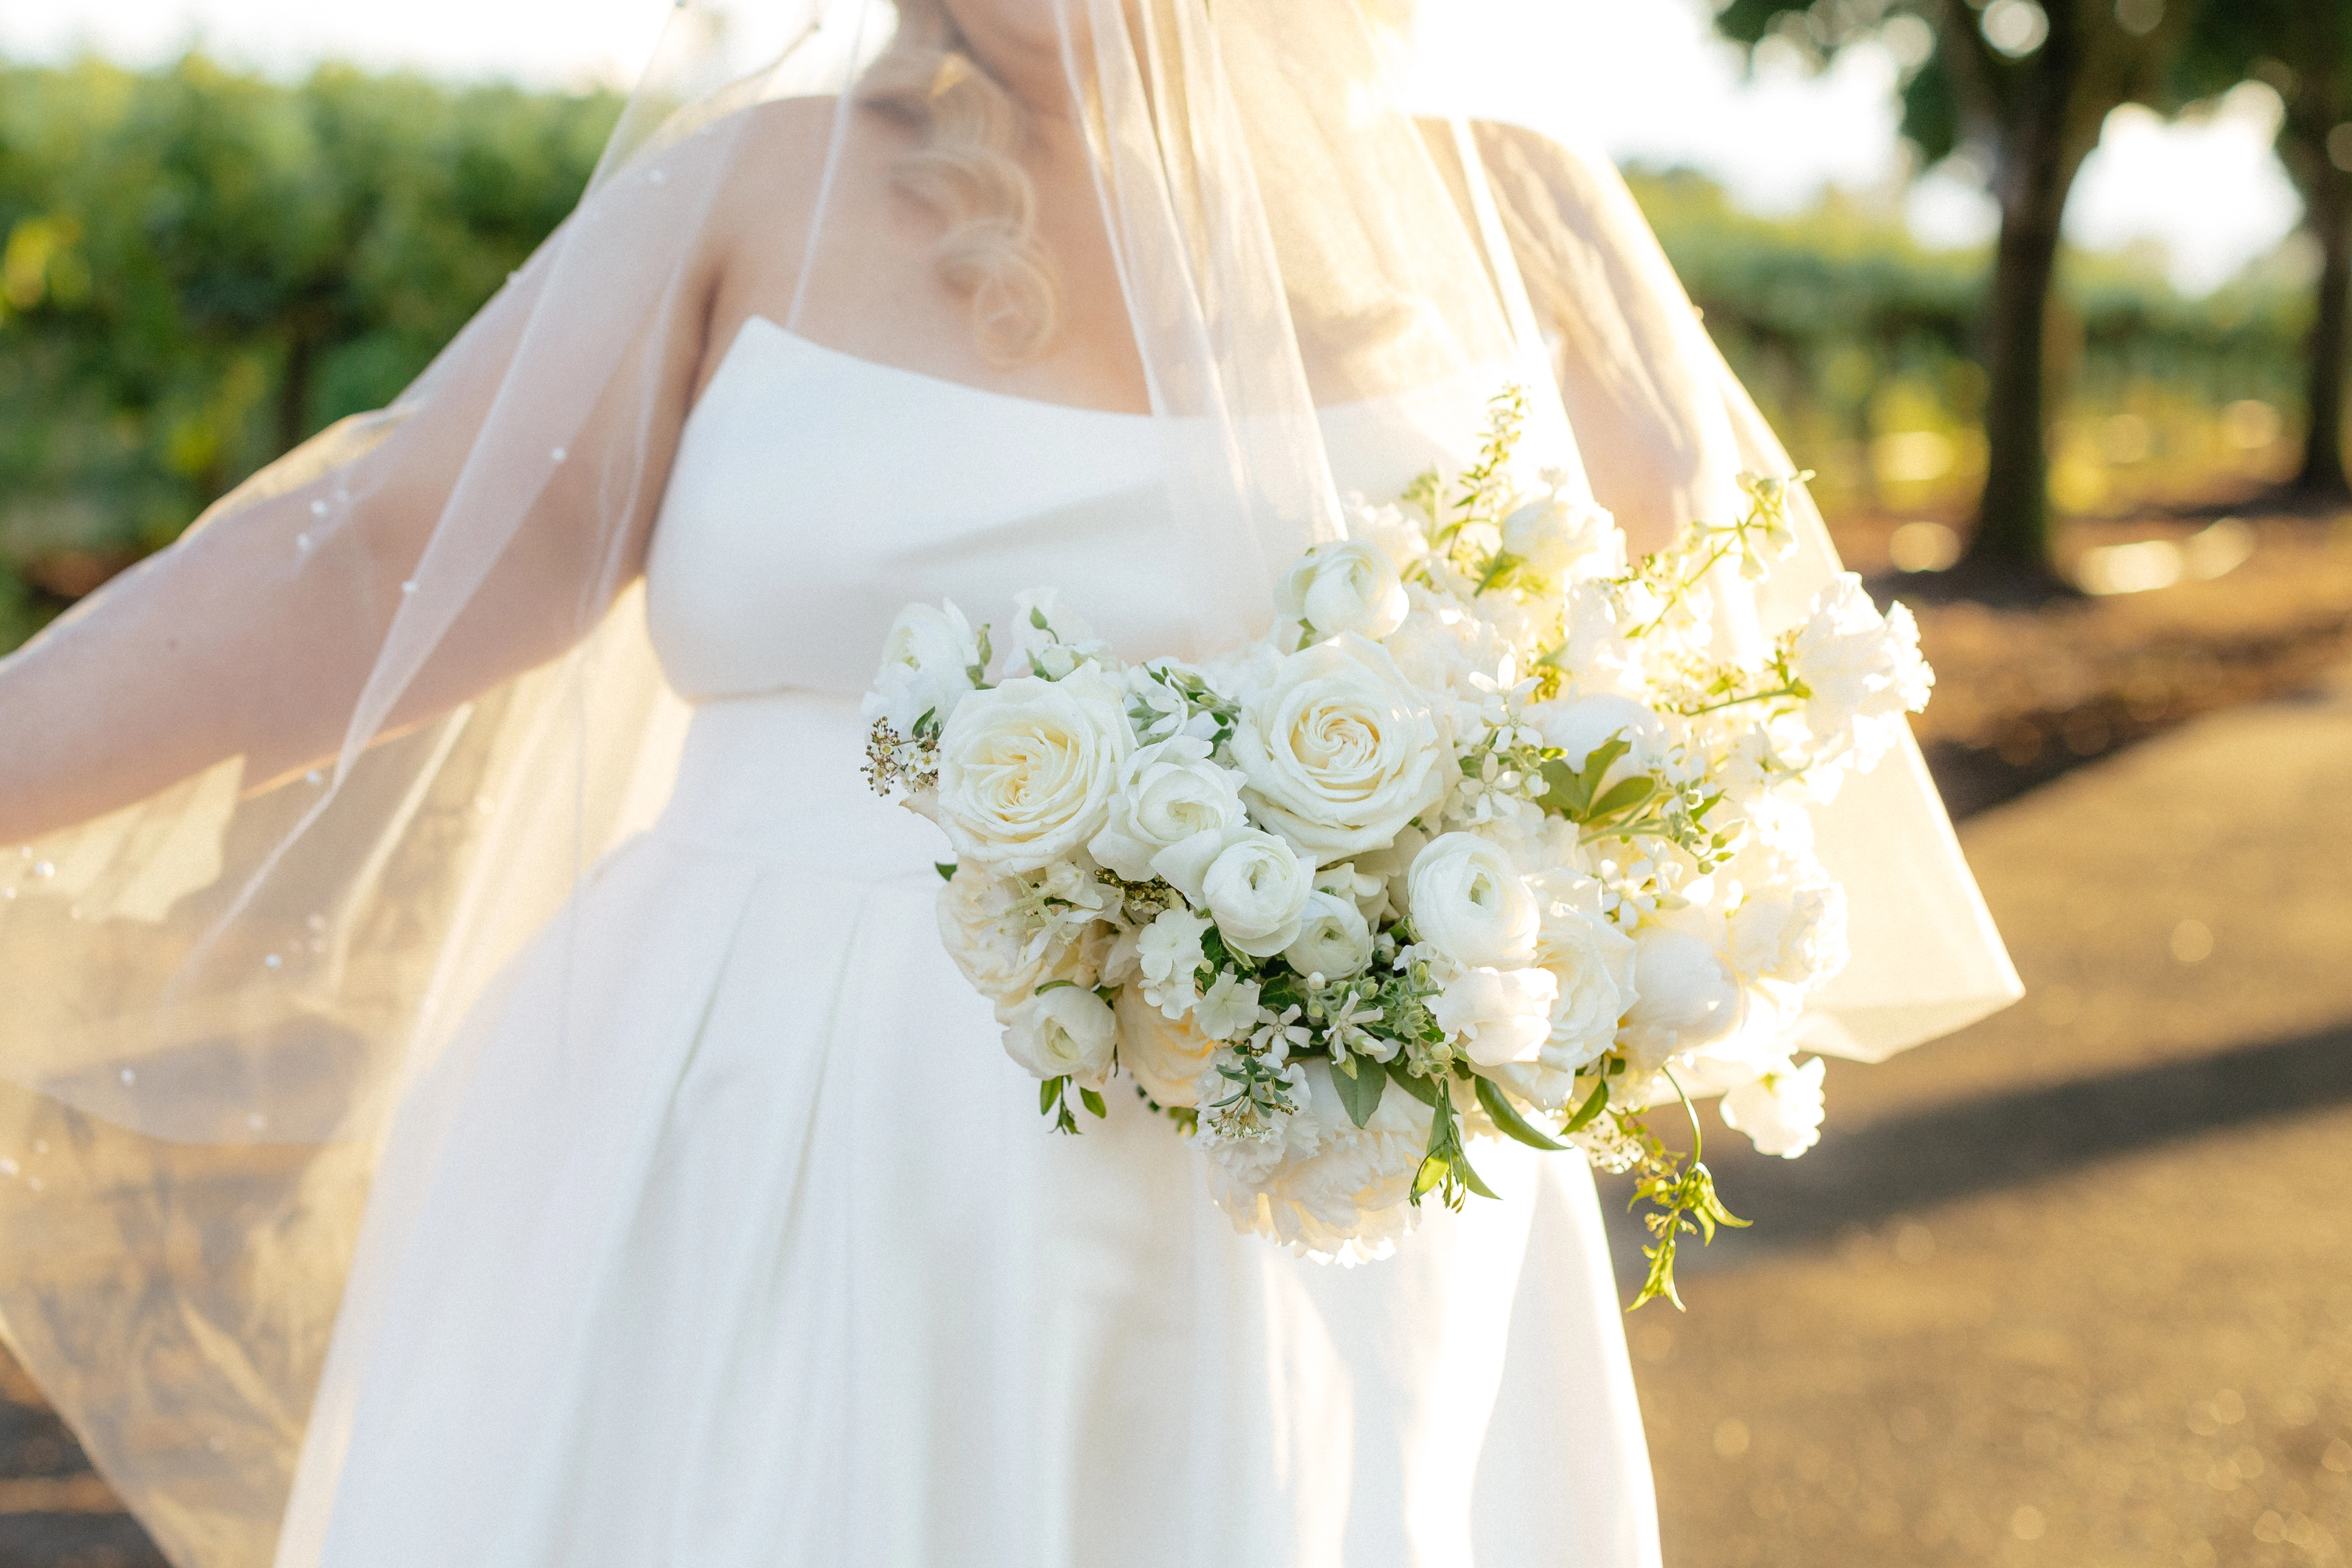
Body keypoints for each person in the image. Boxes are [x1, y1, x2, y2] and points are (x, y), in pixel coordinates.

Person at [0, 3, 2020, 1565]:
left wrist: (1507, 914)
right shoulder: (752, 192)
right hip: (758, 1138)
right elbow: (372, 559)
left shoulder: (1515, 210)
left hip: (1304, 1192)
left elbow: (1738, 704)